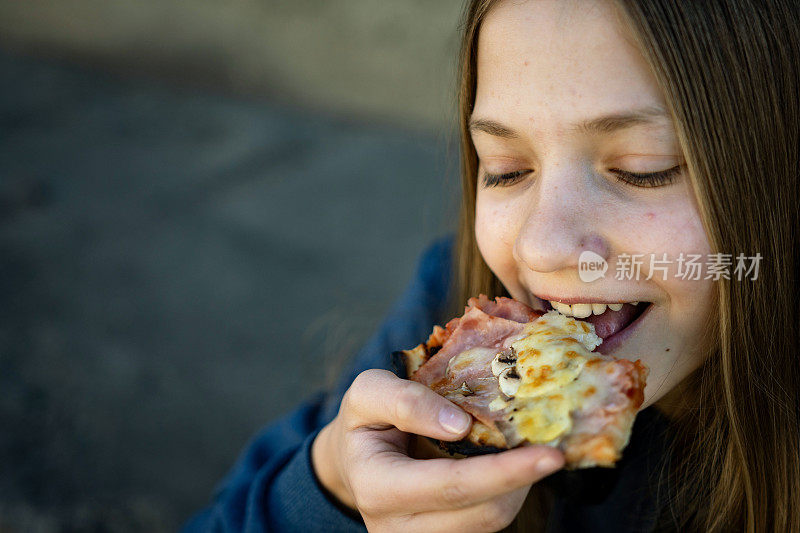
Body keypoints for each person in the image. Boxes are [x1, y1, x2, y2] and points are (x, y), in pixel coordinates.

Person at [183, 0, 800, 531]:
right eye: (506, 168)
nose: (539, 250)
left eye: (643, 166)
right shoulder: (461, 319)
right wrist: (332, 489)